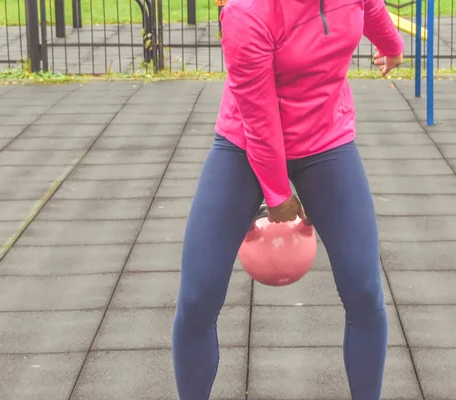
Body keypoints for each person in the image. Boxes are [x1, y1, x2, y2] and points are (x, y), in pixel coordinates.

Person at [172, 0, 404, 397]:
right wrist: (278, 194)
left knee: (364, 291)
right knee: (198, 297)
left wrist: (391, 43)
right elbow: (260, 121)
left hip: (326, 140)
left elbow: (371, 6)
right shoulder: (247, 11)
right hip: (244, 145)